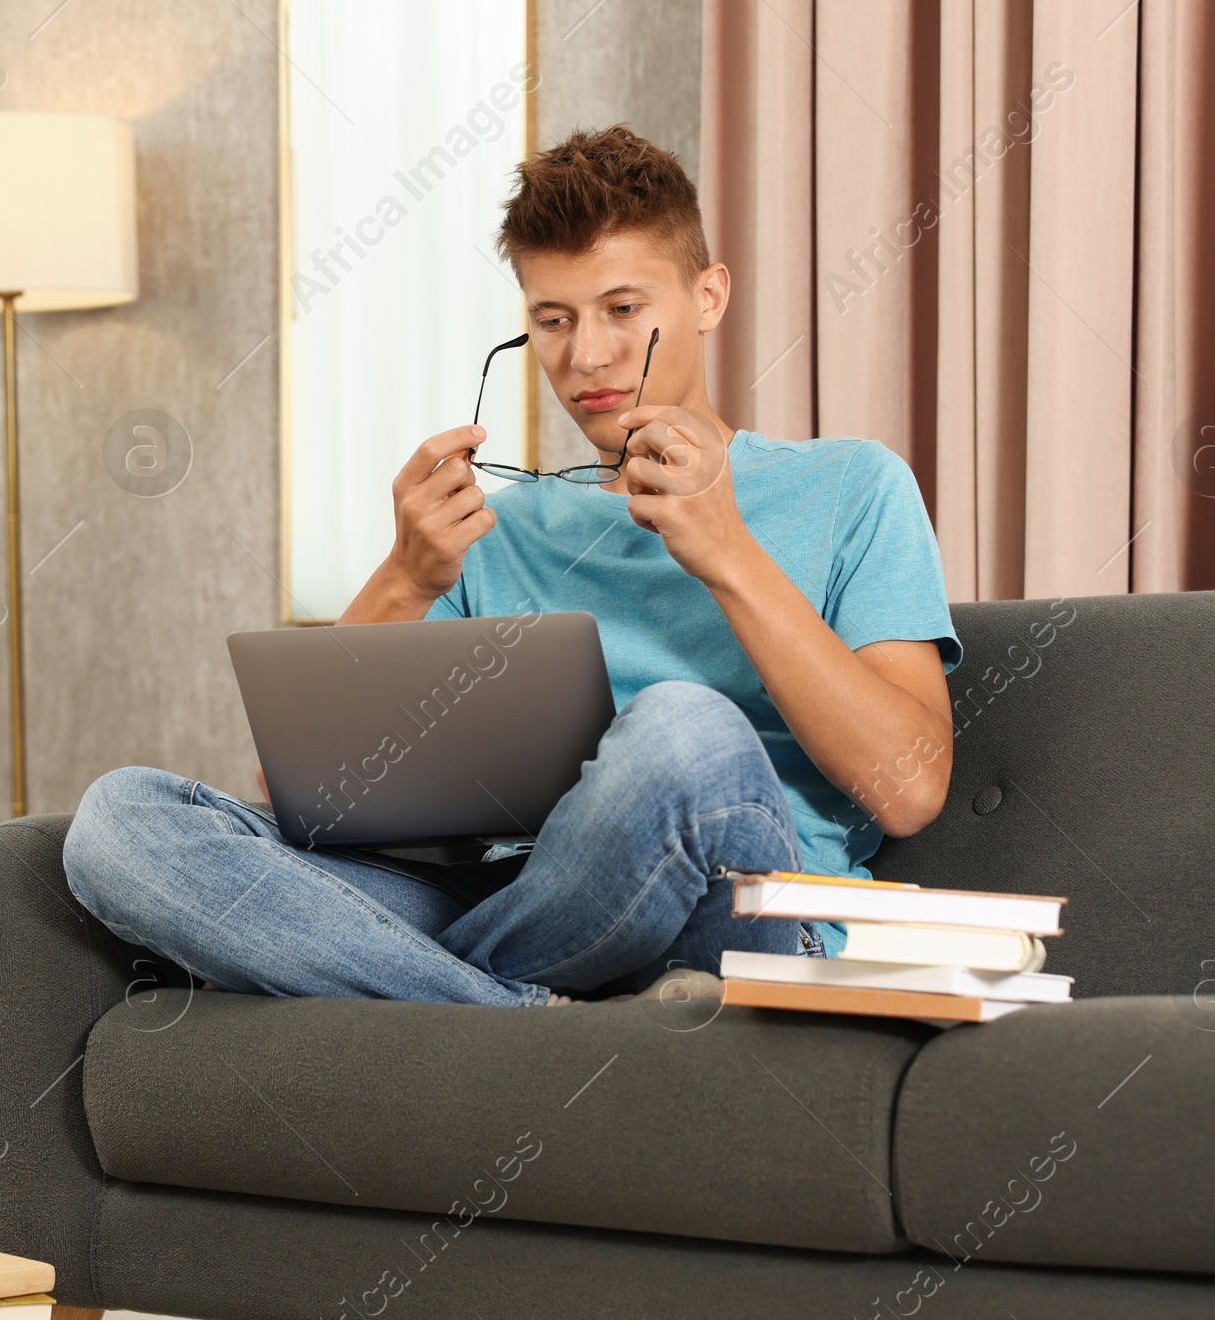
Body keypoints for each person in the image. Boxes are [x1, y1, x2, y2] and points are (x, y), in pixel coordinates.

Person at [64, 127, 960, 1005]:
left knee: (685, 731)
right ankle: (511, 1012)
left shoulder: (851, 486)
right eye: (552, 320)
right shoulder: (494, 527)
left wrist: (726, 551)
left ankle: (438, 986)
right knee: (117, 823)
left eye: (623, 308)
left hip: (732, 912)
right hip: (517, 897)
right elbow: (307, 800)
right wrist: (405, 577)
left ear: (708, 295)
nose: (587, 357)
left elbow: (911, 788)